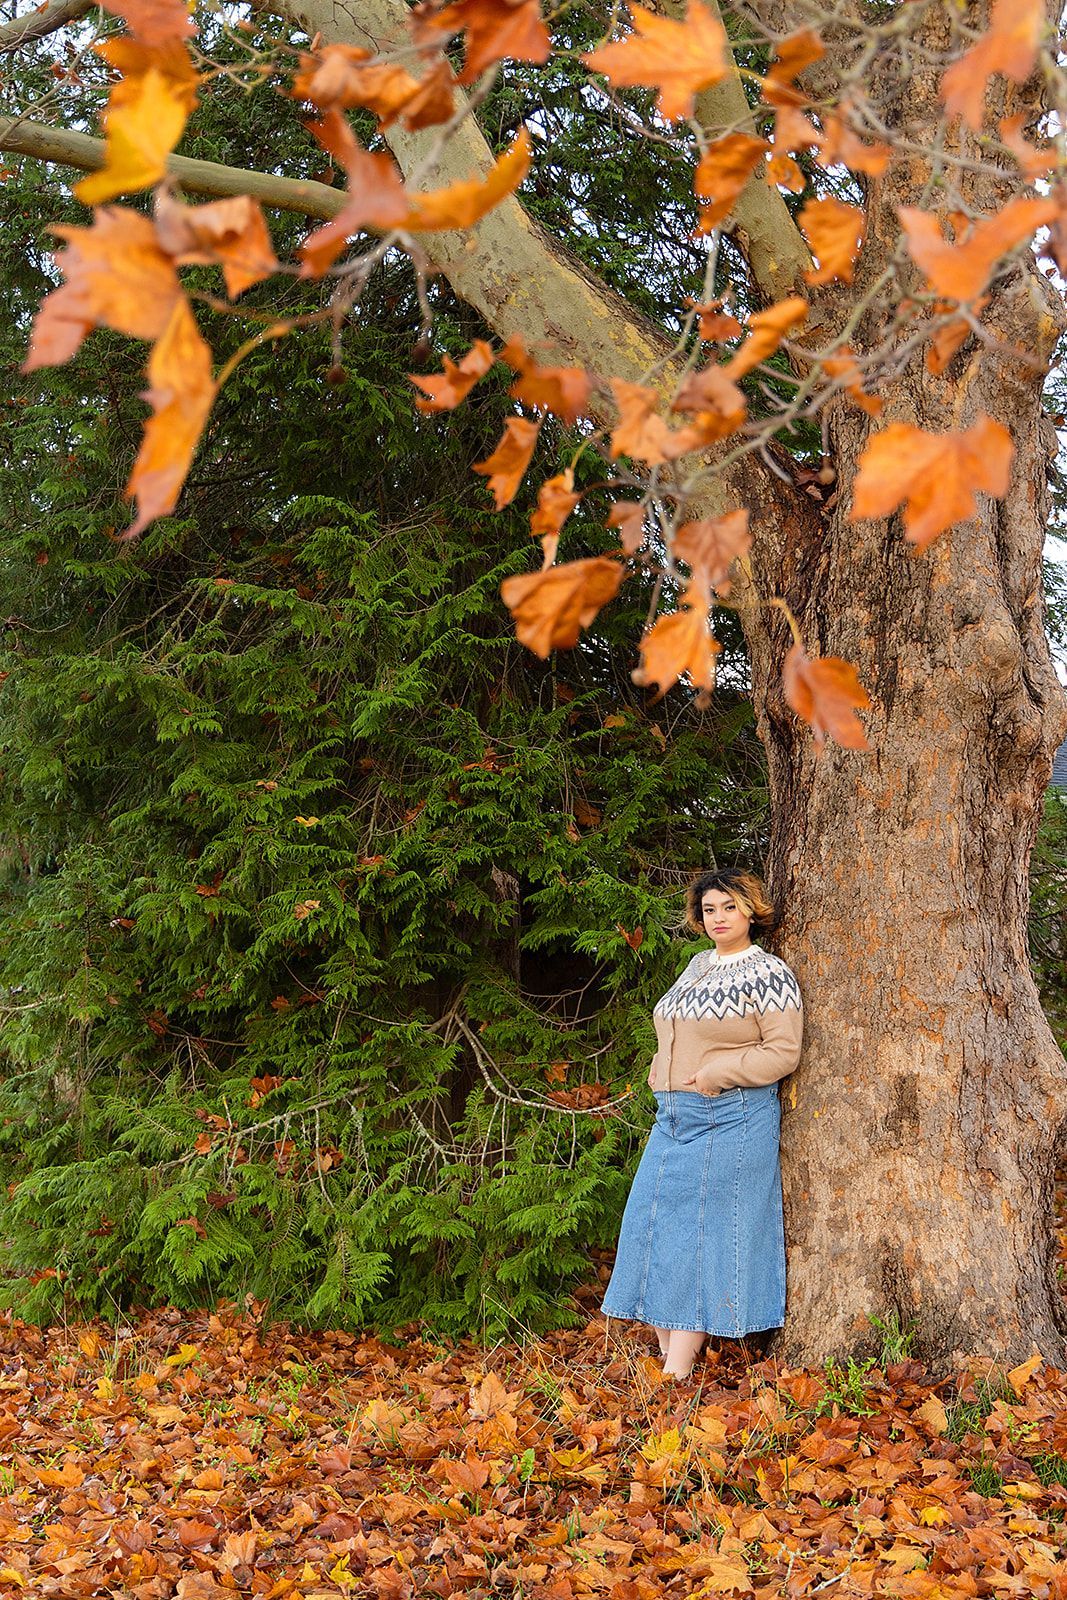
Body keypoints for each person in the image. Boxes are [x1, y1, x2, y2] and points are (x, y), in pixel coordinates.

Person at [599, 868, 803, 1379]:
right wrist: (657, 1069)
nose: (718, 918)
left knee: (700, 1239)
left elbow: (783, 1050)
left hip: (730, 1115)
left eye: (729, 907)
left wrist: (717, 1072)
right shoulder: (695, 966)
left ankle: (676, 1373)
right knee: (652, 1226)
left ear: (751, 911)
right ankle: (670, 1361)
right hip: (673, 1116)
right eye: (709, 909)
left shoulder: (769, 973)